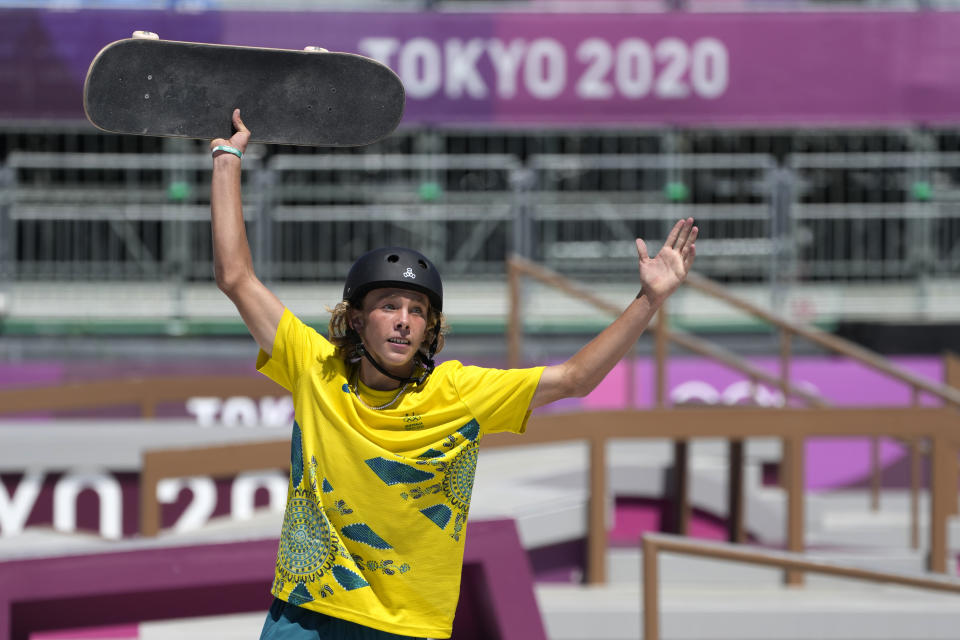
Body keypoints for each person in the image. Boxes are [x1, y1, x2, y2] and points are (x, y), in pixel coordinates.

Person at [210, 109, 698, 640]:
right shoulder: (315, 367)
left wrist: (649, 301)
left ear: (429, 328)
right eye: (389, 306)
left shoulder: (458, 392)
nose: (403, 321)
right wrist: (228, 158)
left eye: (417, 311)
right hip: (306, 613)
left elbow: (575, 378)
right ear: (356, 319)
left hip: (409, 627)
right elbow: (236, 277)